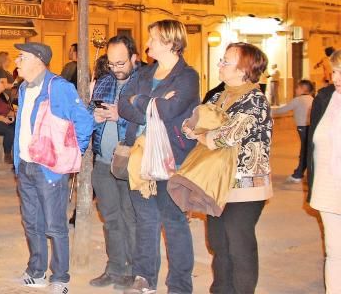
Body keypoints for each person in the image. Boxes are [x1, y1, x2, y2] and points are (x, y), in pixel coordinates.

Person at [180, 43, 272, 294]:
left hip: (245, 186)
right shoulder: (219, 95)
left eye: (227, 61)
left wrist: (200, 135)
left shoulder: (255, 100)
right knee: (219, 244)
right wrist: (196, 129)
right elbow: (201, 121)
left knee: (239, 245)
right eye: (222, 59)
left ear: (245, 69)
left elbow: (226, 136)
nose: (220, 64)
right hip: (217, 182)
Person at [118, 19, 200, 294]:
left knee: (174, 222)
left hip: (170, 159)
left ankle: (179, 285)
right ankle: (144, 277)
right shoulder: (143, 73)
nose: (148, 43)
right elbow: (122, 105)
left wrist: (140, 102)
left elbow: (170, 110)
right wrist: (152, 105)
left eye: (152, 38)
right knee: (146, 220)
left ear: (168, 42)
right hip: (140, 157)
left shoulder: (187, 76)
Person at [10, 42, 93, 293]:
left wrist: (69, 154)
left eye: (21, 57)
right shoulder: (24, 88)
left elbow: (84, 121)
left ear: (37, 60)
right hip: (26, 165)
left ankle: (60, 277)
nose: (17, 61)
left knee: (55, 225)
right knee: (31, 222)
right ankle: (36, 272)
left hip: (49, 169)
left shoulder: (58, 88)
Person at [87, 35, 141, 289]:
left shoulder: (144, 84)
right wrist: (94, 116)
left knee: (130, 218)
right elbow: (89, 112)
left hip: (130, 161)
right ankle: (115, 267)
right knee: (110, 218)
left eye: (121, 63)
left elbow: (148, 120)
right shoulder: (105, 81)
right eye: (111, 64)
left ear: (134, 58)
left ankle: (133, 271)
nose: (116, 69)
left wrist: (120, 115)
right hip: (102, 162)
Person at [309, 50, 341, 293]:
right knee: (334, 253)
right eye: (334, 71)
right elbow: (311, 145)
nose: (335, 77)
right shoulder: (325, 98)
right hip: (329, 189)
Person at [272, 79, 315, 183]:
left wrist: (268, 112)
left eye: (297, 87)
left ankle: (298, 175)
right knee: (307, 150)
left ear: (302, 89)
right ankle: (300, 173)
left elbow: (282, 110)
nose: (295, 90)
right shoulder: (312, 99)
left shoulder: (298, 100)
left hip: (303, 128)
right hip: (311, 127)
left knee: (304, 151)